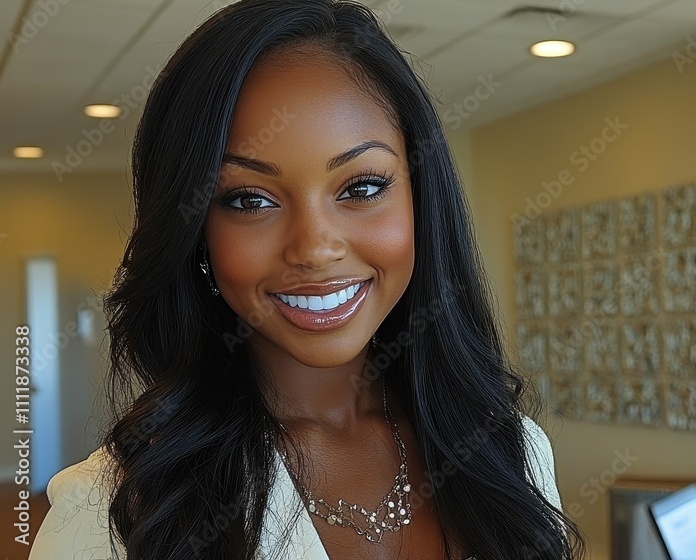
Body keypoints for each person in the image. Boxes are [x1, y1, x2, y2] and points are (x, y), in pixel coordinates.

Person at [28, 1, 586, 558]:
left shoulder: (511, 451)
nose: (316, 249)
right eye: (250, 200)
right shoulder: (109, 513)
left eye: (362, 188)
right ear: (195, 229)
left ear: (422, 199)